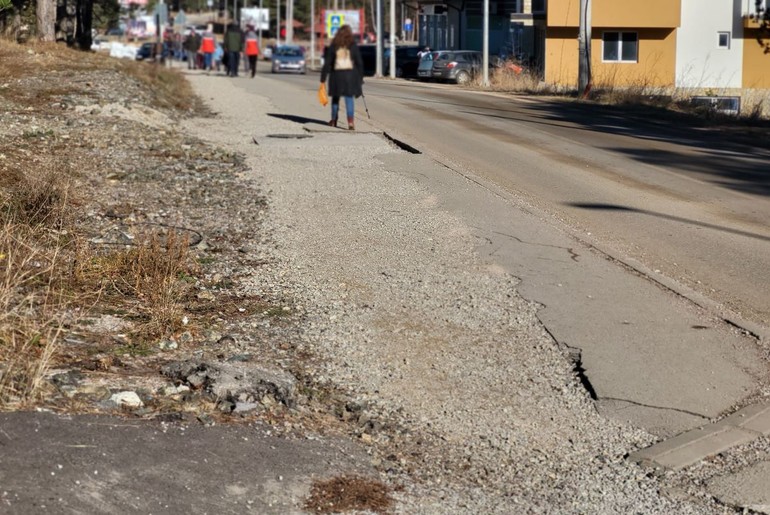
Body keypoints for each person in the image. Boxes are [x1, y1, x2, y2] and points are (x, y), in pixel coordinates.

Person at [320, 25, 364, 130]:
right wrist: (360, 78)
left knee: (335, 99)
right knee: (349, 99)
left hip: (337, 76)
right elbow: (359, 63)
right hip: (350, 76)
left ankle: (334, 120)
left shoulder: (334, 46)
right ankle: (351, 122)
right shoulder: (352, 45)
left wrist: (323, 78)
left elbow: (327, 63)